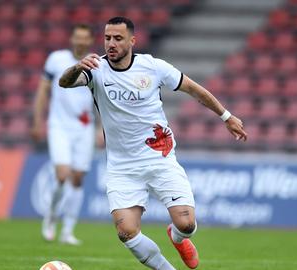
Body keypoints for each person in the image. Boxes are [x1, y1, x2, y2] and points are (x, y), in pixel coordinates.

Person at [59, 17, 247, 269]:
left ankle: (178, 238)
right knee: (126, 231)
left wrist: (226, 116)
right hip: (122, 167)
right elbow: (64, 82)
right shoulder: (94, 70)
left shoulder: (153, 67)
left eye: (118, 38)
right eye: (107, 38)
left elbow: (193, 89)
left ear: (132, 41)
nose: (111, 44)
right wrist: (76, 67)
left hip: (160, 158)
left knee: (186, 225)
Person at [30, 24, 96, 245]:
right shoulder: (57, 59)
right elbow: (43, 90)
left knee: (77, 179)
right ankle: (50, 217)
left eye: (84, 38)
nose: (80, 41)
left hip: (84, 127)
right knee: (62, 174)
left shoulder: (96, 63)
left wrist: (101, 129)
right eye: (77, 37)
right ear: (72, 38)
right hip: (59, 126)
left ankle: (68, 230)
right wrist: (37, 121)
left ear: (89, 41)